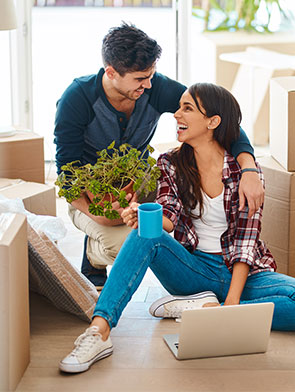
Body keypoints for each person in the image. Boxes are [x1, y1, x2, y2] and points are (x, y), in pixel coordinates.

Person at [59, 83, 295, 374]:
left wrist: (230, 306)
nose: (176, 114)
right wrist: (145, 217)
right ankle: (99, 332)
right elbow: (170, 217)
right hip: (192, 269)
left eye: (187, 108)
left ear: (213, 122)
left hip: (243, 272)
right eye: (179, 107)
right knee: (145, 235)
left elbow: (245, 243)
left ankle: (205, 307)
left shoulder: (244, 173)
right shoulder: (170, 163)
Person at [54, 22, 265, 289]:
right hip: (91, 197)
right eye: (140, 79)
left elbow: (218, 119)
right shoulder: (77, 99)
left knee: (162, 236)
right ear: (111, 72)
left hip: (141, 184)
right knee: (125, 247)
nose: (149, 84)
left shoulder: (155, 88)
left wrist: (249, 169)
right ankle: (93, 255)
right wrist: (99, 216)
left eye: (151, 74)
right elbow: (67, 177)